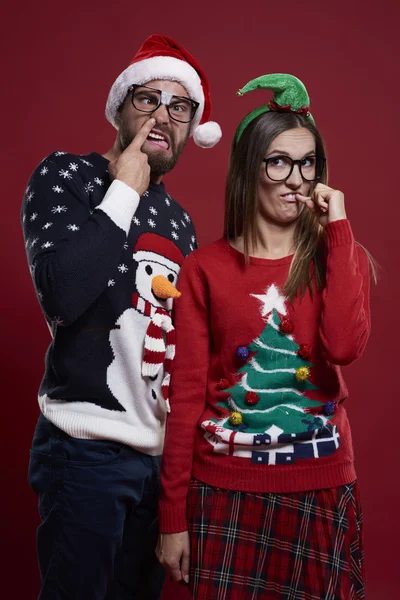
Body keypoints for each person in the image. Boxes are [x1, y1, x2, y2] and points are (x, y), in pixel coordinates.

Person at [157, 73, 373, 599]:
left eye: (308, 162)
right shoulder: (202, 270)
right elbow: (184, 399)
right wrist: (171, 517)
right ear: (248, 169)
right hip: (225, 493)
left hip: (320, 488)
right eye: (278, 161)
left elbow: (344, 347)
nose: (295, 178)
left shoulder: (338, 258)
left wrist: (339, 228)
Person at [21, 33, 221, 600]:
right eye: (148, 98)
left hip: (157, 463)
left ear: (190, 128)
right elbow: (64, 294)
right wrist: (123, 192)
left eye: (179, 106)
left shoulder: (180, 222)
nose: (163, 114)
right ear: (121, 108)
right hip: (84, 446)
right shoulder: (67, 177)